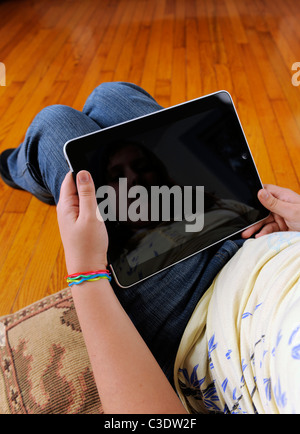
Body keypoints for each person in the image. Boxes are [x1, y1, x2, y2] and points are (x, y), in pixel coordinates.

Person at [1, 82, 300, 413]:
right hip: (253, 235)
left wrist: (85, 271)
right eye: (118, 175)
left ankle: (19, 168)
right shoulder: (211, 204)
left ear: (162, 176)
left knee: (54, 123)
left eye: (143, 167)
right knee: (110, 95)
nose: (134, 180)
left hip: (195, 309)